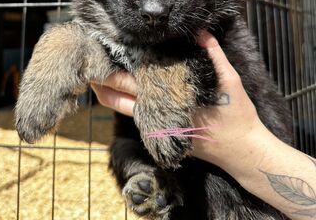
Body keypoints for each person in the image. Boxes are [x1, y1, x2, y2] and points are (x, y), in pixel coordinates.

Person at [91, 31, 316, 220]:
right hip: (172, 177)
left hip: (243, 198)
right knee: (123, 147)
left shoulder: (217, 34)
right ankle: (149, 180)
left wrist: (242, 142)